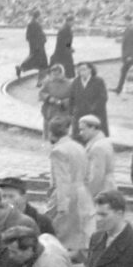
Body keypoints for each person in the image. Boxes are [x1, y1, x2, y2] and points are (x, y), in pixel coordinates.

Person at [46, 116, 92, 254]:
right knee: (79, 235)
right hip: (82, 192)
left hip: (66, 195)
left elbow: (62, 180)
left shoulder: (58, 151)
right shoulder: (79, 147)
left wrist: (61, 206)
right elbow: (87, 174)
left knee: (59, 235)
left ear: (51, 132)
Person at [80, 116, 115, 199]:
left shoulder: (98, 147)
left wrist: (88, 196)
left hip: (101, 192)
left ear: (92, 128)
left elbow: (96, 176)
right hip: (105, 189)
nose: (80, 133)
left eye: (83, 129)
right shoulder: (102, 142)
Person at [38, 64, 73, 140]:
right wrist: (48, 98)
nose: (55, 76)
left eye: (57, 74)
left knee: (61, 129)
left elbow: (73, 98)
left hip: (63, 111)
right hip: (50, 110)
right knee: (48, 129)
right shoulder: (48, 82)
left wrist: (63, 102)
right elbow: (41, 93)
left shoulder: (69, 84)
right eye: (53, 74)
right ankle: (47, 140)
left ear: (62, 73)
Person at [17, 10, 49, 81]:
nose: (41, 17)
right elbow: (39, 35)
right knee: (41, 63)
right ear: (38, 16)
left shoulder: (32, 23)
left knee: (33, 60)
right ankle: (40, 81)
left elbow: (28, 36)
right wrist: (42, 40)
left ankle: (21, 68)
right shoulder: (35, 24)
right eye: (40, 15)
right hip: (38, 46)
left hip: (35, 46)